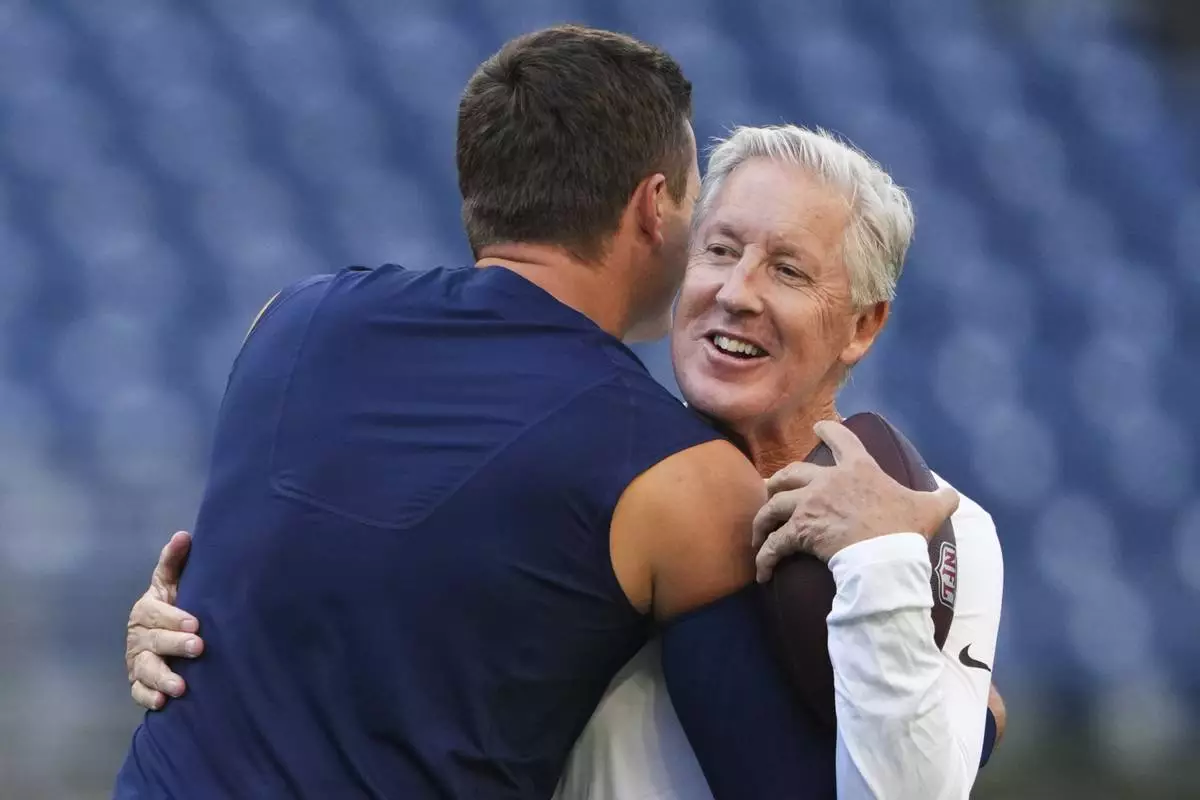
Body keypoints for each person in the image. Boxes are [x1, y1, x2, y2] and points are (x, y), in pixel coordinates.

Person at [112, 25, 957, 800]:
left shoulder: (286, 321)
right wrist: (958, 700)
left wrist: (175, 619)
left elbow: (318, 582)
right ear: (652, 207)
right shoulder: (682, 480)